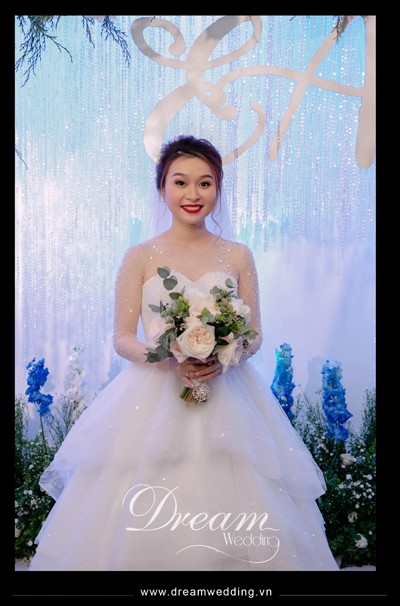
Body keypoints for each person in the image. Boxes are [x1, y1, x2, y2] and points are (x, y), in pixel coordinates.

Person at [29, 135, 338, 571]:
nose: (193, 194)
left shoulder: (238, 255)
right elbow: (121, 337)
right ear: (162, 188)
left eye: (205, 183)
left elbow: (254, 334)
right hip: (151, 396)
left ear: (217, 189)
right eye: (180, 182)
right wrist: (167, 357)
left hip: (227, 395)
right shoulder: (139, 257)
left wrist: (226, 355)